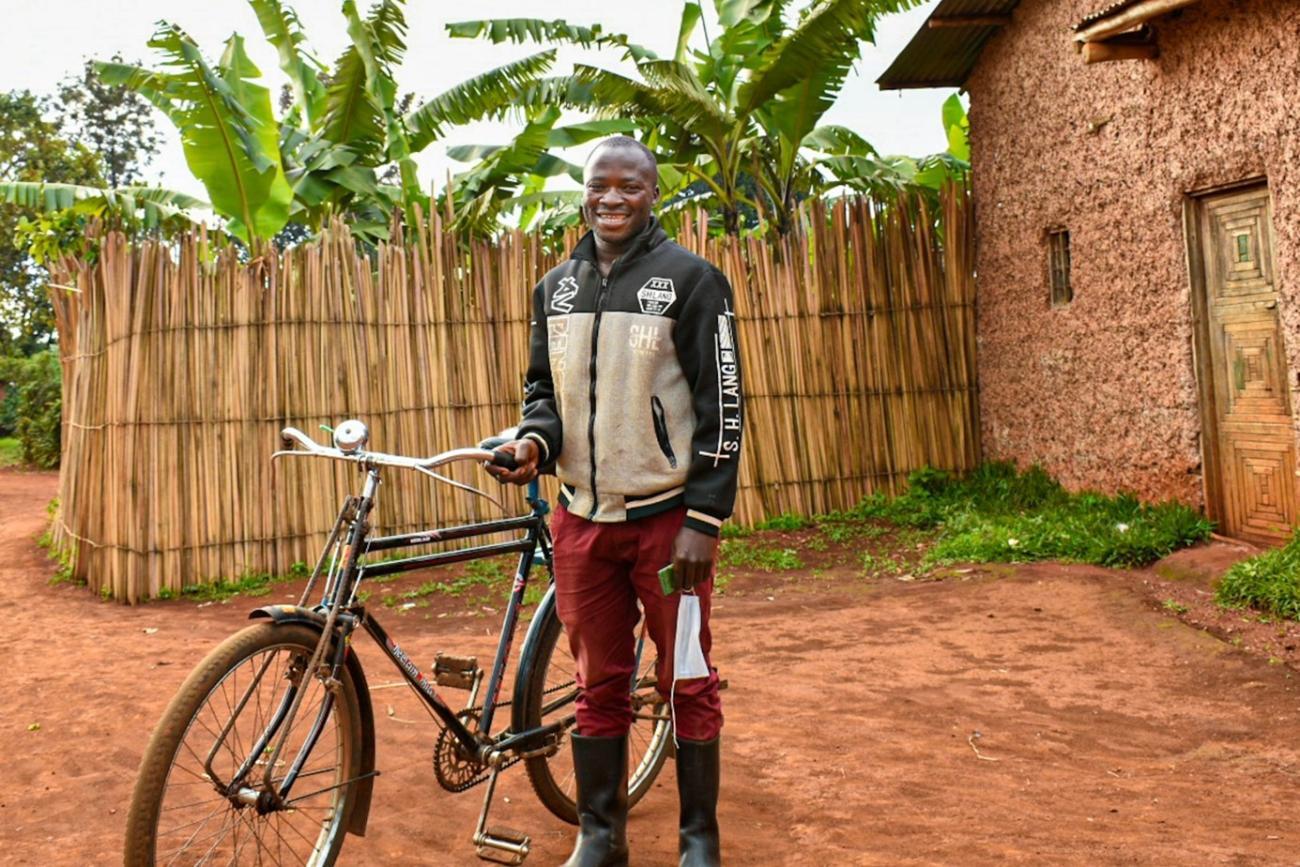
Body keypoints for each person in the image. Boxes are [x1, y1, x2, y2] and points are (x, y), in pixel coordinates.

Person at [488, 135, 743, 867]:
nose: (612, 198)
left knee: (685, 674)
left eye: (629, 186)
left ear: (652, 193)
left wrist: (704, 516)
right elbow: (544, 393)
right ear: (584, 192)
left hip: (668, 524)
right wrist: (534, 445)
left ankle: (699, 840)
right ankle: (601, 836)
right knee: (597, 679)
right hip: (581, 523)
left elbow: (722, 403)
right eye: (600, 185)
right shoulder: (554, 288)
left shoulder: (692, 281)